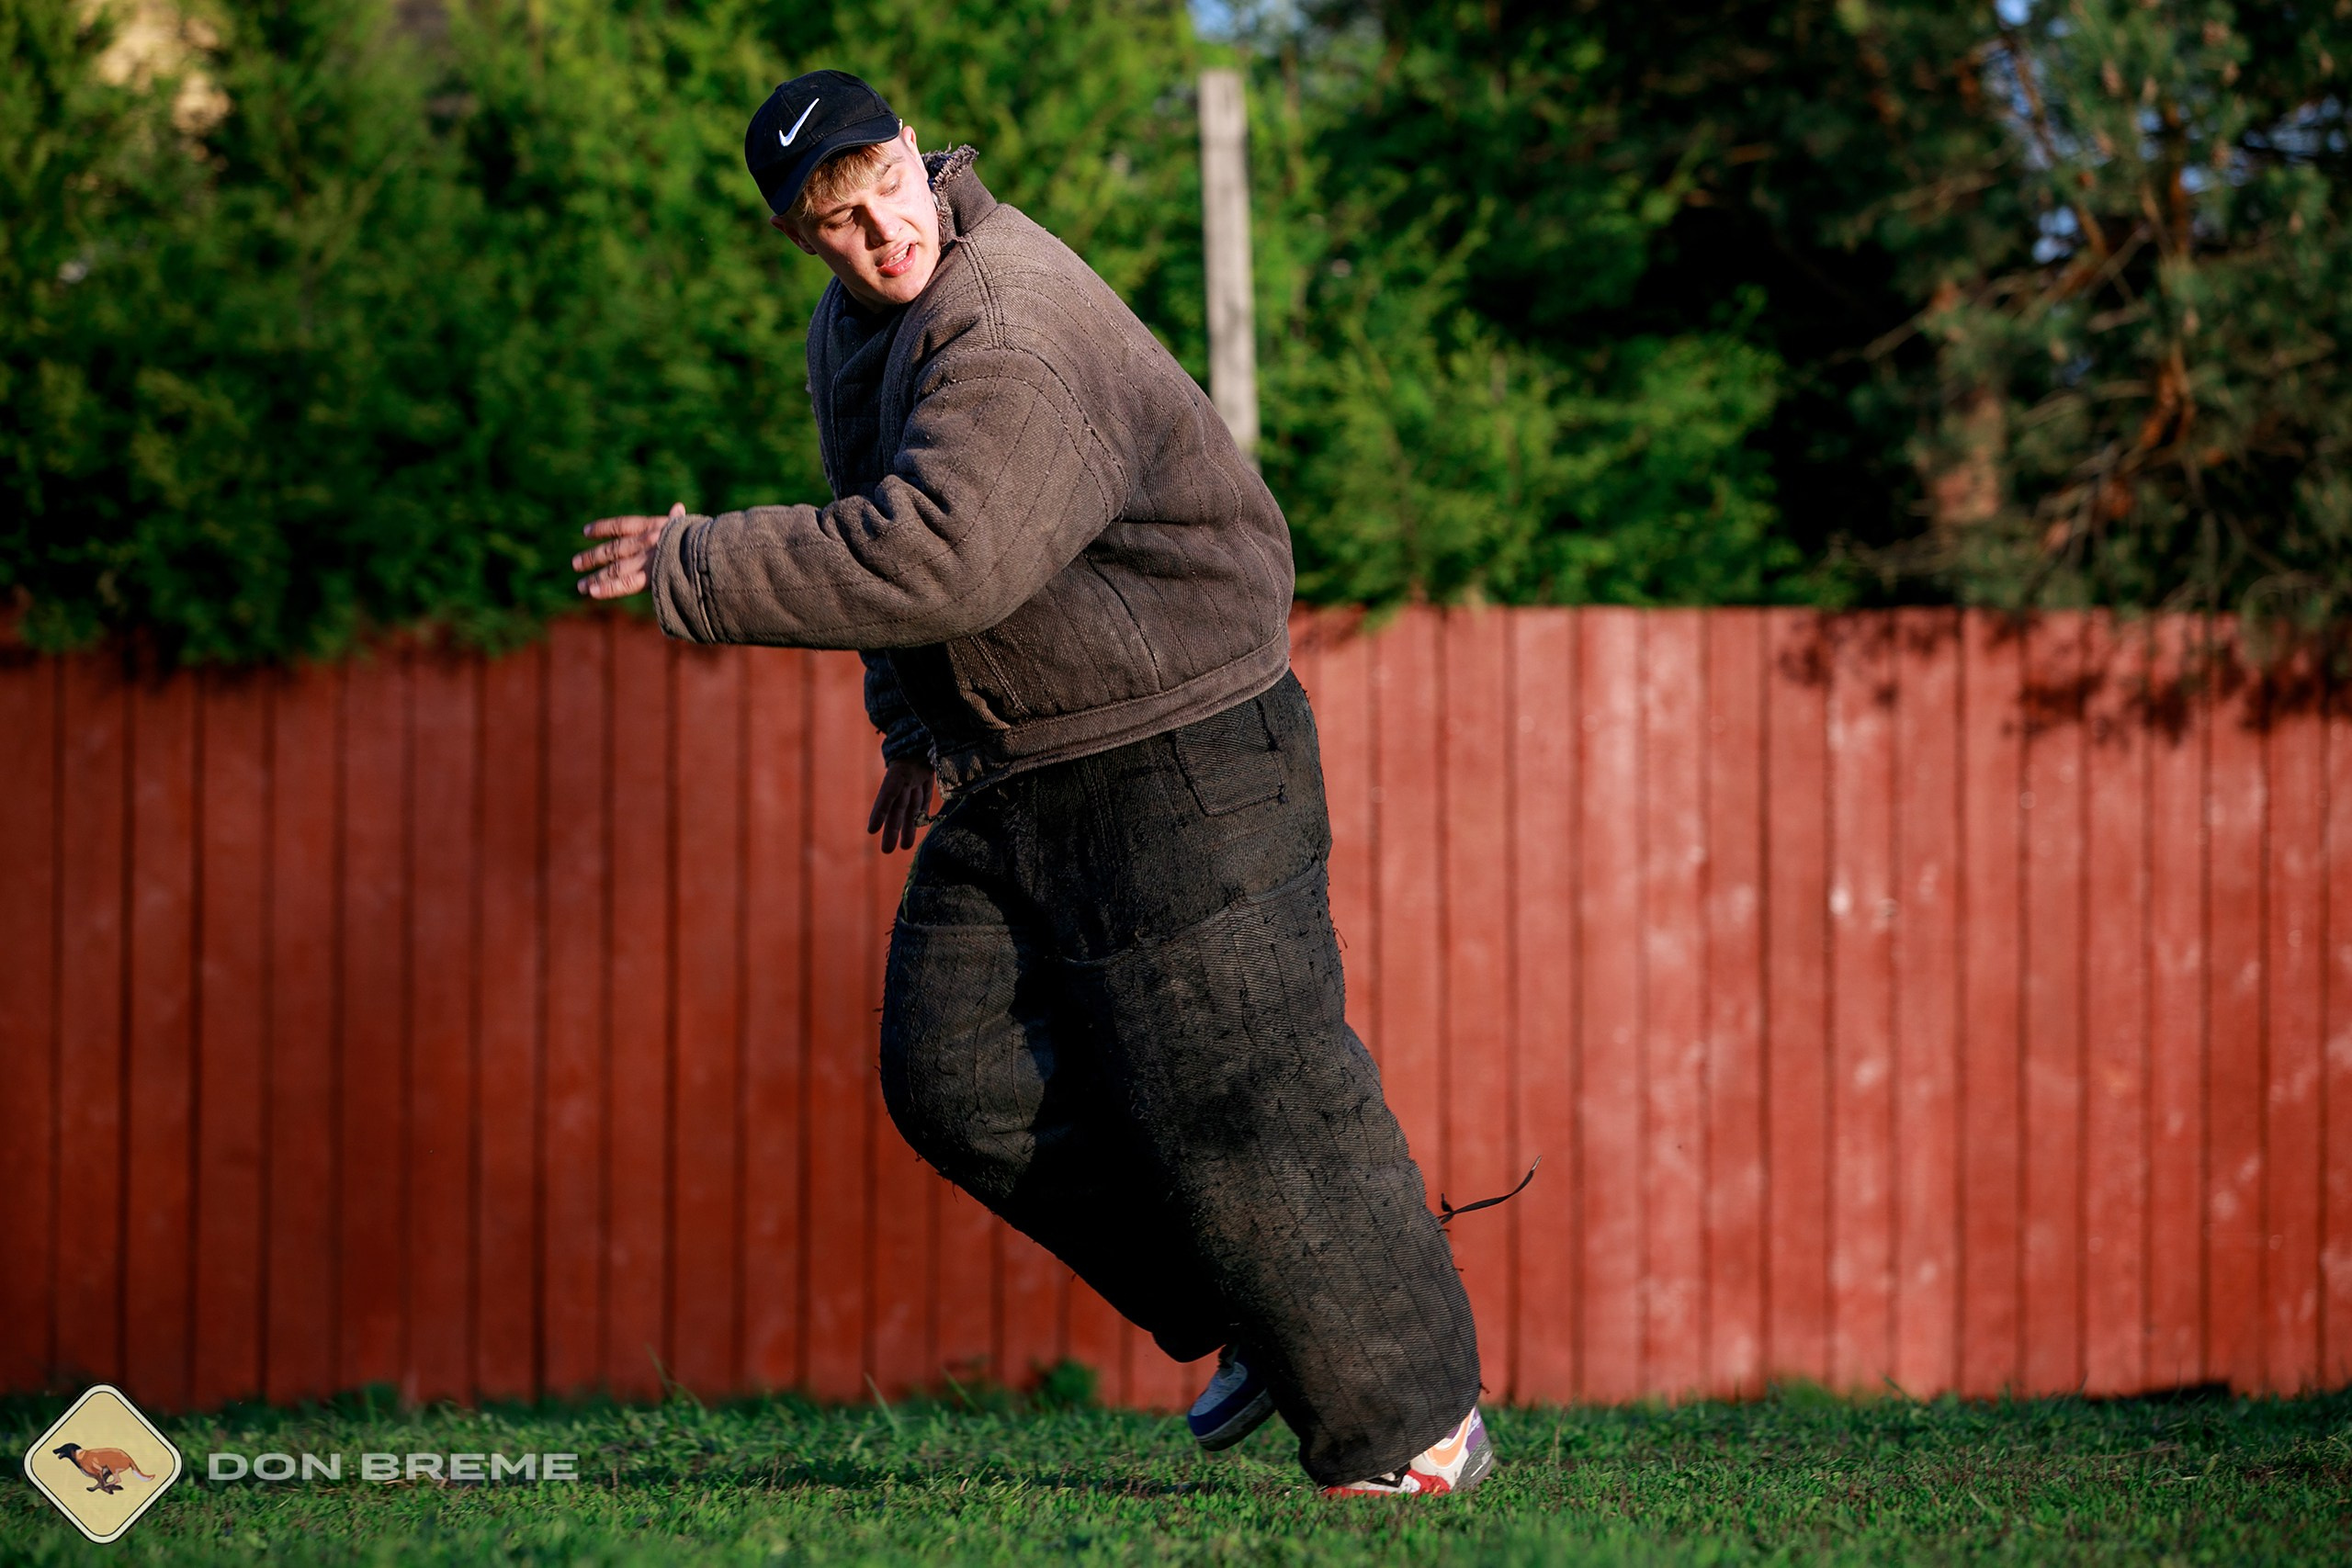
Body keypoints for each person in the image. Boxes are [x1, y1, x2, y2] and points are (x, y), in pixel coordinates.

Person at [571, 68, 1489, 1497]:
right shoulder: (860, 330)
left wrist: (700, 561)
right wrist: (908, 730)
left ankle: (1413, 1427)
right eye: (836, 220)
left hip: (1184, 748)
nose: (881, 233)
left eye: (884, 186)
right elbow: (886, 528)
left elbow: (949, 554)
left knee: (1252, 1090)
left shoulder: (1009, 317)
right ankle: (1265, 1313)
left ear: (917, 157)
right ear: (802, 240)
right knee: (956, 1075)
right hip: (1021, 760)